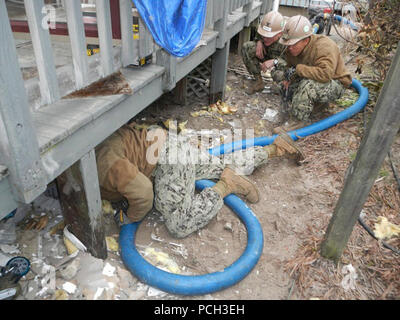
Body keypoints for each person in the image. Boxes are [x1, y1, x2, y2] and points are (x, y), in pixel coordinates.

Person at [95, 122, 304, 238]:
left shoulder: (102, 163)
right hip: (166, 142)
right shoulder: (95, 146)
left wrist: (131, 217)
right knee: (221, 163)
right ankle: (275, 148)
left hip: (167, 159)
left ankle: (226, 185)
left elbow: (143, 193)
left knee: (178, 224)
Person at [275, 15, 352, 130]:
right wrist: (288, 79)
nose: (289, 48)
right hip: (314, 77)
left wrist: (299, 69)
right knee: (285, 86)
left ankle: (297, 122)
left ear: (306, 40)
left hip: (336, 82)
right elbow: (290, 67)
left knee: (307, 86)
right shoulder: (291, 49)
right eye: (288, 44)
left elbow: (325, 74)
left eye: (293, 44)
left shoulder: (324, 46)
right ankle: (315, 106)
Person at [241, 10, 287, 95]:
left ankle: (284, 89)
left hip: (280, 64)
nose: (265, 38)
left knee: (278, 74)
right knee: (247, 47)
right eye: (263, 35)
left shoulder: (288, 40)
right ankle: (258, 82)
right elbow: (259, 34)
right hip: (266, 54)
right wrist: (259, 41)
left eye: (269, 36)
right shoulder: (264, 29)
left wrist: (275, 61)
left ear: (279, 34)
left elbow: (291, 64)